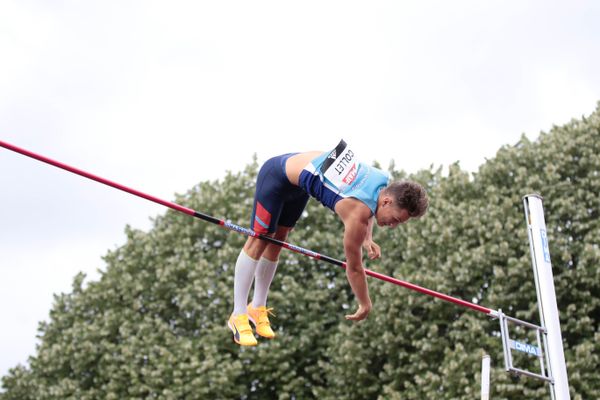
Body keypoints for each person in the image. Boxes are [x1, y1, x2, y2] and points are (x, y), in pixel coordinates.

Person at [227, 140, 428, 346]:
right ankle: (238, 313)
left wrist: (368, 238)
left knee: (278, 238)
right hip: (277, 176)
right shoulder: (357, 215)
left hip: (298, 186)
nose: (392, 225)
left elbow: (369, 201)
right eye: (395, 219)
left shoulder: (381, 180)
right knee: (260, 238)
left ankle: (257, 306)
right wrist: (364, 303)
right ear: (387, 202)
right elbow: (355, 268)